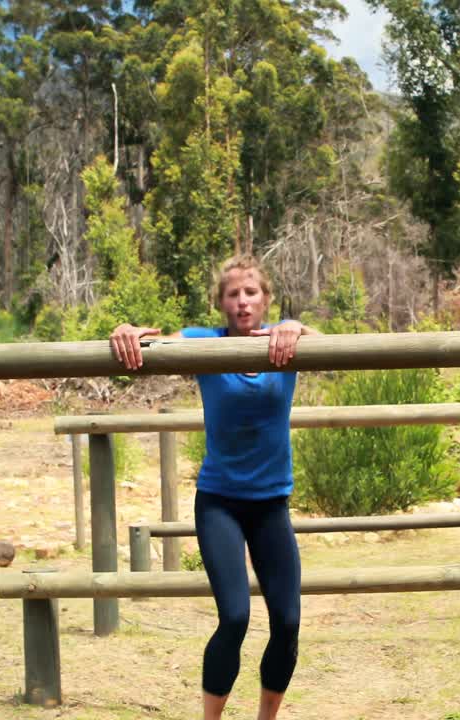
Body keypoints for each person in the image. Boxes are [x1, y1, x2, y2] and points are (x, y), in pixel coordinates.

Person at [110, 254, 320, 720]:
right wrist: (128, 330)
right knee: (235, 617)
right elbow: (159, 342)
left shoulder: (283, 340)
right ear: (221, 303)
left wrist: (298, 327)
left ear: (265, 299)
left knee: (287, 622)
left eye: (251, 292)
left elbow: (332, 345)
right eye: (233, 294)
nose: (243, 302)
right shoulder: (206, 343)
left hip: (271, 505)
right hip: (220, 502)